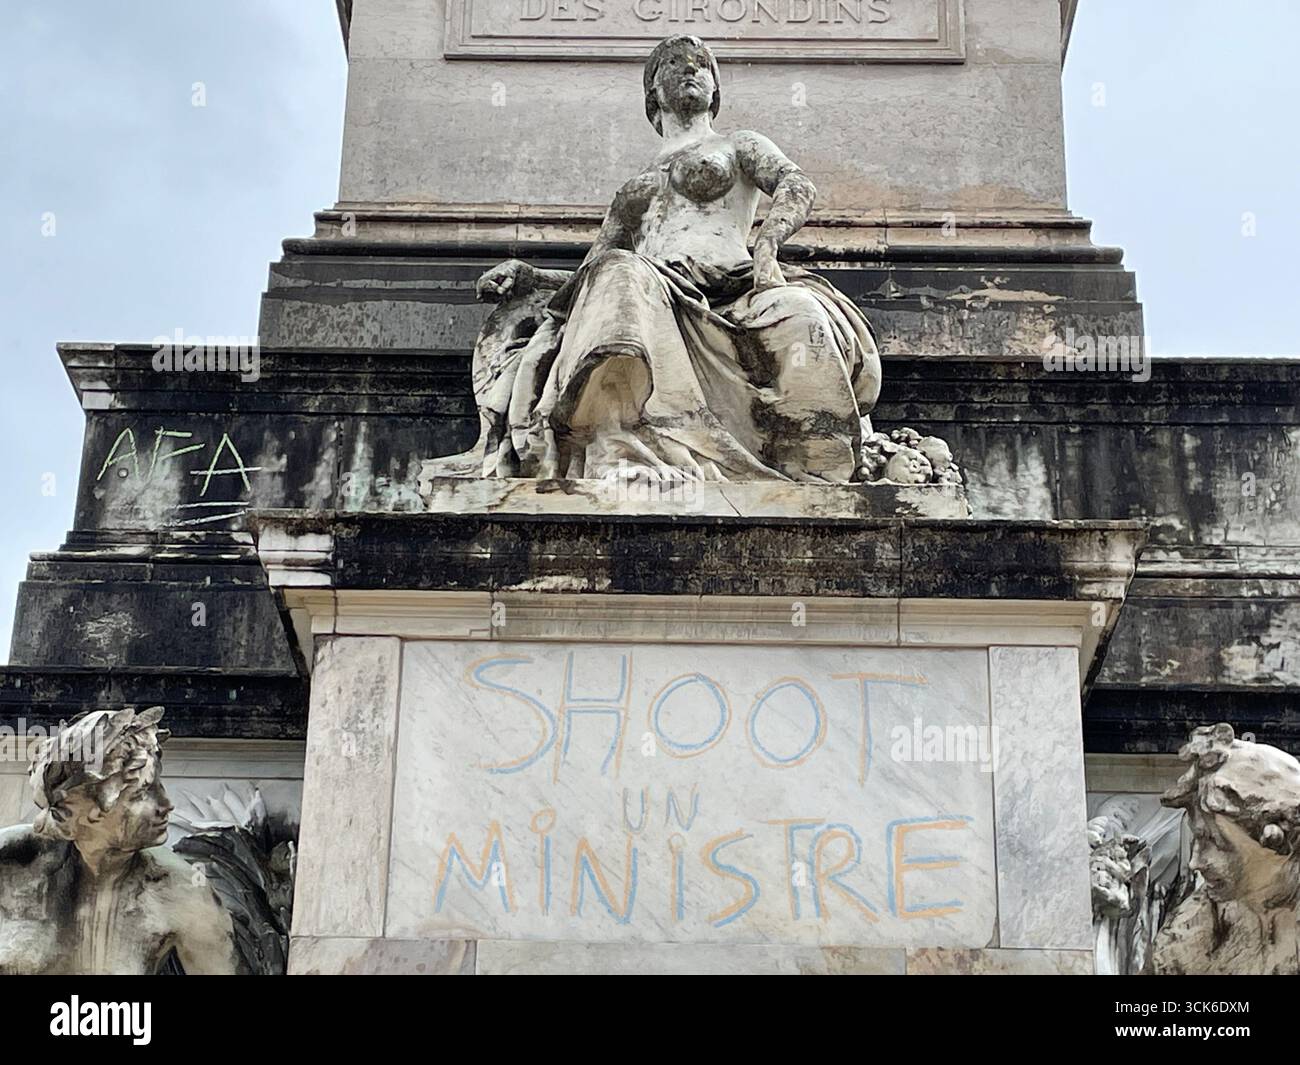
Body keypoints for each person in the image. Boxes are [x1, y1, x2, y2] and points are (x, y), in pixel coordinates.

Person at [441, 34, 881, 484]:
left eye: (701, 64)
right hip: (650, 288)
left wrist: (767, 246)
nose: (690, 69)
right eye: (674, 63)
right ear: (653, 92)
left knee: (802, 312)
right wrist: (531, 276)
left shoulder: (737, 144)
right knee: (618, 274)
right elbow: (589, 275)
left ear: (715, 89)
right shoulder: (638, 184)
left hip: (731, 284)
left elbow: (796, 184)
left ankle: (806, 462)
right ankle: (619, 438)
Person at [0, 707, 241, 975]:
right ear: (89, 810)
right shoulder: (11, 859)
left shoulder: (183, 892)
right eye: (142, 794)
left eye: (157, 786)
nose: (166, 805)